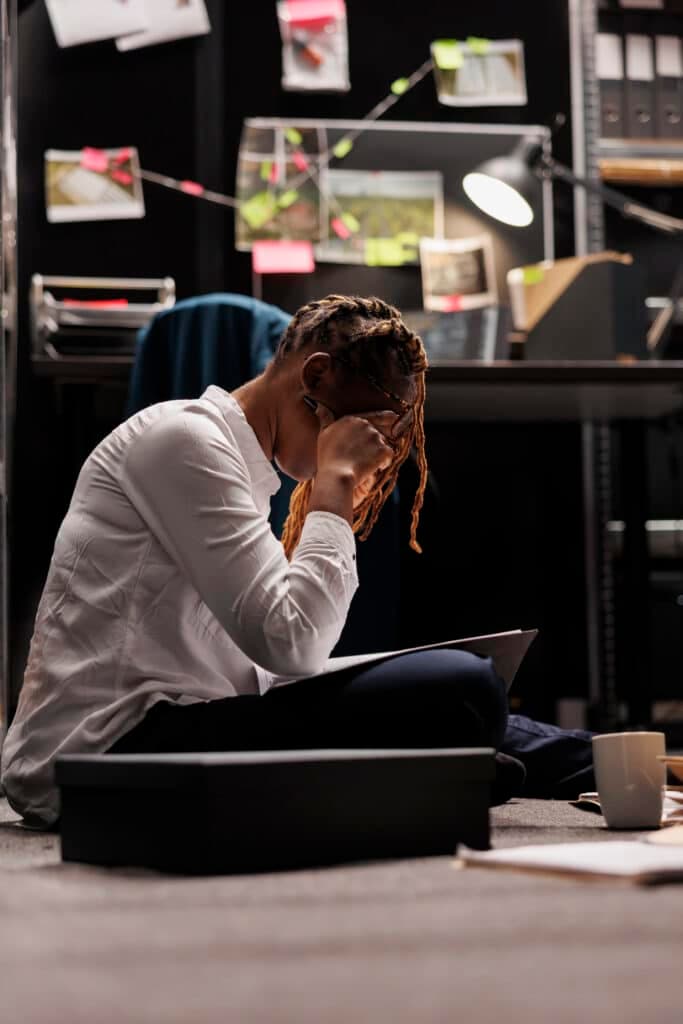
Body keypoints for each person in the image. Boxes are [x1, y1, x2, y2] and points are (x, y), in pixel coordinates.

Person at [0, 294, 593, 829]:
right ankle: (444, 771)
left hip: (193, 718)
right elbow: (290, 641)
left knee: (466, 685)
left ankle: (607, 761)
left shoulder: (242, 468)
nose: (379, 458)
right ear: (315, 377)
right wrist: (333, 487)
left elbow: (273, 664)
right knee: (460, 690)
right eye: (371, 432)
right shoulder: (184, 440)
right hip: (103, 748)